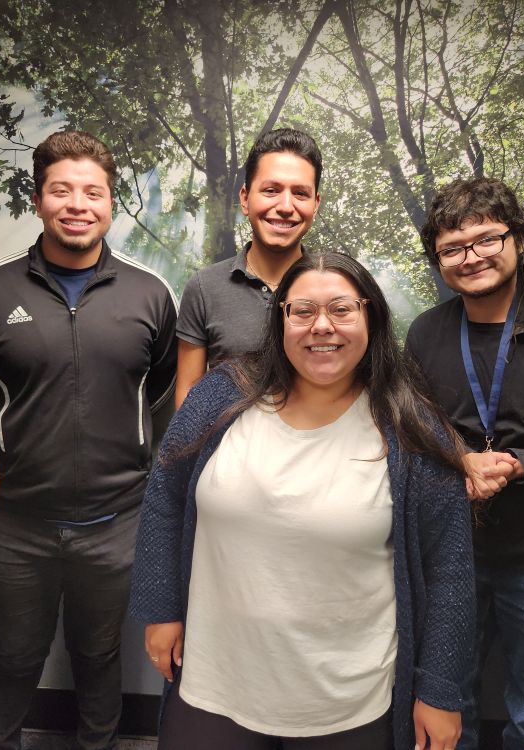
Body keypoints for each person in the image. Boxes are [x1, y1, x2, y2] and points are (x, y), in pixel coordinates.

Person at [130, 251, 474, 750]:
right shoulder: (221, 395)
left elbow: (450, 569)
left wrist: (441, 691)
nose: (322, 327)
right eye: (303, 311)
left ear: (370, 318)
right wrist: (161, 609)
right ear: (280, 320)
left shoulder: (410, 425)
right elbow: (165, 497)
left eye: (341, 309)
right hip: (216, 677)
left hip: (346, 700)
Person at [0, 129, 177, 750]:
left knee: (99, 654)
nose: (78, 204)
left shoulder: (149, 295)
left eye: (93, 192)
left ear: (110, 203)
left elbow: (158, 388)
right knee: (17, 657)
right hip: (16, 522)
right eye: (62, 190)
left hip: (115, 522)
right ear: (39, 198)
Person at [406, 178, 524, 749]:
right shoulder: (426, 333)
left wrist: (520, 465)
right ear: (439, 262)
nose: (472, 257)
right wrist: (460, 458)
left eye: (487, 238)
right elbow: (413, 428)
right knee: (445, 711)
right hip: (451, 558)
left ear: (518, 239)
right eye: (452, 248)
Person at [174, 128, 322, 407]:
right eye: (271, 190)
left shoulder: (336, 288)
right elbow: (188, 394)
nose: (285, 206)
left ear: (315, 205)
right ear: (245, 198)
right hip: (228, 449)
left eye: (300, 193)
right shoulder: (205, 288)